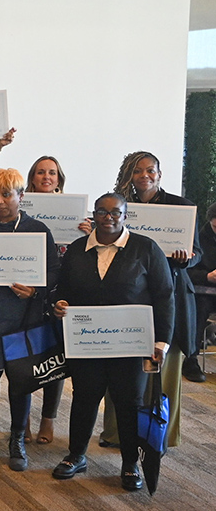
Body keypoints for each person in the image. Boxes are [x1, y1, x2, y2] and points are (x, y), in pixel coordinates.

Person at [50, 193, 174, 492]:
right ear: (94, 215)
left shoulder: (146, 248)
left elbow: (165, 296)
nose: (109, 218)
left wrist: (161, 342)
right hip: (87, 344)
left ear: (125, 215)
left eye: (115, 212)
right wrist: (58, 303)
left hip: (131, 345)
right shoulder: (78, 249)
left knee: (128, 403)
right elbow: (61, 290)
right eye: (102, 212)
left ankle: (130, 463)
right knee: (84, 398)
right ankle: (76, 455)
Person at [97, 151, 202, 448]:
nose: (145, 175)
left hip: (170, 297)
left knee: (164, 372)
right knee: (122, 369)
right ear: (130, 175)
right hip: (127, 299)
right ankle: (117, 433)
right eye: (138, 171)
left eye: (151, 170)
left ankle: (160, 435)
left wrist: (187, 259)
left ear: (160, 173)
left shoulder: (181, 208)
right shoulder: (118, 207)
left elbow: (198, 253)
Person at [0, 169, 59, 472]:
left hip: (23, 320)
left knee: (20, 383)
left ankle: (17, 439)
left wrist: (36, 289)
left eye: (7, 195)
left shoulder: (38, 229)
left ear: (21, 196)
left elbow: (54, 271)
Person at [24, 155, 72, 444]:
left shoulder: (73, 210)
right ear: (32, 178)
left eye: (52, 172)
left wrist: (85, 233)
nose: (46, 177)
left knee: (56, 359)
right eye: (40, 172)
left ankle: (48, 420)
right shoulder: (22, 207)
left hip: (60, 294)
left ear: (59, 178)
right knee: (27, 357)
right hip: (28, 292)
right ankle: (24, 418)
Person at [188, 201, 216, 384]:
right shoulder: (197, 237)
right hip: (203, 291)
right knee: (197, 311)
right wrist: (207, 276)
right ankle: (190, 360)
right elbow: (187, 271)